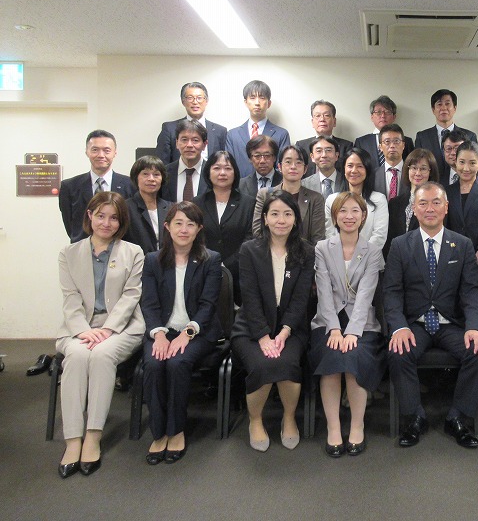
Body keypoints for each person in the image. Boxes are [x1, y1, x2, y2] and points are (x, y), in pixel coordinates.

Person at [385, 182, 478, 449]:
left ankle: (458, 418)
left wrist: (475, 327)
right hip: (415, 324)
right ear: (414, 209)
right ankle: (415, 418)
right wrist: (399, 327)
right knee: (398, 352)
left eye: (436, 203)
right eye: (423, 203)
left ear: (446, 207)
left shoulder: (463, 245)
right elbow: (392, 293)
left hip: (450, 324)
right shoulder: (400, 245)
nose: (429, 209)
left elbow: (471, 292)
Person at [56, 192, 144, 478]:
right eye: (101, 215)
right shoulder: (69, 253)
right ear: (90, 216)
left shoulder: (133, 252)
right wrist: (84, 330)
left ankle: (93, 435)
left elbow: (131, 296)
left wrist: (108, 329)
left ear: (121, 222)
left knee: (102, 355)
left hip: (122, 326)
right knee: (77, 356)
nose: (107, 223)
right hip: (80, 326)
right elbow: (70, 298)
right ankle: (73, 439)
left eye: (114, 218)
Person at [231, 191, 315, 452]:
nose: (281, 220)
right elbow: (249, 297)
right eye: (275, 214)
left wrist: (285, 331)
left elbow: (301, 299)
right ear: (265, 218)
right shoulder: (250, 250)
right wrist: (263, 336)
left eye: (288, 214)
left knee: (288, 362)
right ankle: (255, 420)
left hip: (291, 327)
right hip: (252, 327)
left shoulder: (306, 252)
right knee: (261, 363)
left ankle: (289, 417)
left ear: (295, 219)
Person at [140, 202, 223, 464]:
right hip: (161, 331)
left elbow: (208, 305)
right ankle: (158, 432)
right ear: (167, 226)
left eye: (190, 224)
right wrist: (159, 335)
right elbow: (149, 303)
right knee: (154, 363)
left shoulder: (211, 259)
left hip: (198, 332)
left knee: (177, 363)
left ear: (199, 229)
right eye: (178, 223)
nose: (184, 229)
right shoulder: (152, 261)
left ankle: (176, 430)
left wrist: (186, 333)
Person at [309, 192, 385, 457]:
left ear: (363, 217)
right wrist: (334, 329)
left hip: (361, 322)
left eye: (355, 211)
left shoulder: (372, 250)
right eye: (343, 211)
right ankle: (333, 428)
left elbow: (366, 294)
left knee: (354, 356)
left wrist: (352, 331)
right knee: (331, 356)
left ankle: (356, 425)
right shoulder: (322, 248)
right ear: (335, 216)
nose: (349, 216)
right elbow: (323, 292)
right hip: (328, 320)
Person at [193, 151, 255, 304]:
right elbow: (193, 236)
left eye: (228, 168)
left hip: (240, 273)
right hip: (202, 270)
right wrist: (210, 262)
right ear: (208, 172)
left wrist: (227, 264)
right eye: (216, 168)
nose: (222, 173)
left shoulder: (248, 203)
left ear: (235, 172)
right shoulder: (196, 203)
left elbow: (251, 237)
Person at [59, 130, 135, 243]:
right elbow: (70, 224)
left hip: (120, 247)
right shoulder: (69, 187)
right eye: (95, 150)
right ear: (87, 152)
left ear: (115, 153)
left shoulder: (131, 185)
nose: (101, 155)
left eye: (106, 150)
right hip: (82, 248)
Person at [252, 146, 326, 244]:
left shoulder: (315, 198)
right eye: (288, 162)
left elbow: (318, 238)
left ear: (305, 169)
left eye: (298, 162)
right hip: (269, 251)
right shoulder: (265, 194)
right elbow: (258, 231)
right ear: (279, 167)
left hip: (304, 252)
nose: (293, 166)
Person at [324, 147, 388, 249]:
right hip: (337, 256)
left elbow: (379, 236)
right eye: (350, 166)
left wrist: (359, 256)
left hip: (370, 256)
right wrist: (342, 255)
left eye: (360, 166)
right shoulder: (331, 200)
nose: (354, 170)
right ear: (344, 169)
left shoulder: (379, 199)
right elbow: (329, 234)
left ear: (367, 170)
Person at [444, 141, 478, 256]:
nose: (466, 168)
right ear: (456, 162)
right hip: (452, 253)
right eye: (462, 162)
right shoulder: (447, 192)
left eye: (472, 163)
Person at [225, 80, 291, 178]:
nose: (257, 102)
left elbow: (283, 167)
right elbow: (228, 166)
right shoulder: (232, 135)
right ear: (246, 102)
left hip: (272, 186)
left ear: (269, 103)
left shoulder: (281, 134)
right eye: (252, 98)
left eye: (262, 98)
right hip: (240, 186)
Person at [155, 82, 227, 164]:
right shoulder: (169, 129)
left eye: (199, 98)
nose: (195, 102)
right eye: (190, 98)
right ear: (183, 101)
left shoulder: (220, 131)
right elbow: (161, 164)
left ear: (206, 101)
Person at [414, 89, 478, 180]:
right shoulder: (422, 137)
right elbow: (418, 165)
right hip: (432, 184)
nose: (443, 108)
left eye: (447, 104)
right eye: (439, 104)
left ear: (455, 108)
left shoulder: (470, 136)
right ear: (433, 109)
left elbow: (474, 165)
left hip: (461, 184)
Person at [386, 148, 439, 257]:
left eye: (423, 169)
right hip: (398, 259)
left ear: (430, 172)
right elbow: (390, 238)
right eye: (414, 168)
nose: (418, 173)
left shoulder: (437, 203)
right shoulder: (394, 203)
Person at [124, 156, 173, 253]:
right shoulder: (125, 208)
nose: (151, 179)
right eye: (145, 174)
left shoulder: (171, 208)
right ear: (136, 177)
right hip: (136, 260)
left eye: (156, 174)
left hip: (166, 260)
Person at [296, 100, 354, 176]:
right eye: (318, 116)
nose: (322, 119)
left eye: (327, 115)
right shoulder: (301, 145)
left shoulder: (346, 146)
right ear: (312, 122)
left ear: (334, 122)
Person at [353, 95, 414, 166]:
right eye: (378, 112)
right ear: (372, 117)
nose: (383, 116)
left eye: (387, 112)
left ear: (394, 117)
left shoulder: (407, 142)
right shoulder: (361, 142)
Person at [163, 119, 209, 202]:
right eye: (184, 140)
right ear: (177, 143)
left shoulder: (212, 173)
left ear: (204, 145)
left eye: (195, 140)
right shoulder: (164, 173)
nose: (189, 145)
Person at [372, 123, 408, 200]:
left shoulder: (413, 173)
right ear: (380, 147)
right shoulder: (372, 175)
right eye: (387, 141)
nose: (392, 146)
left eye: (396, 141)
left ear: (403, 145)